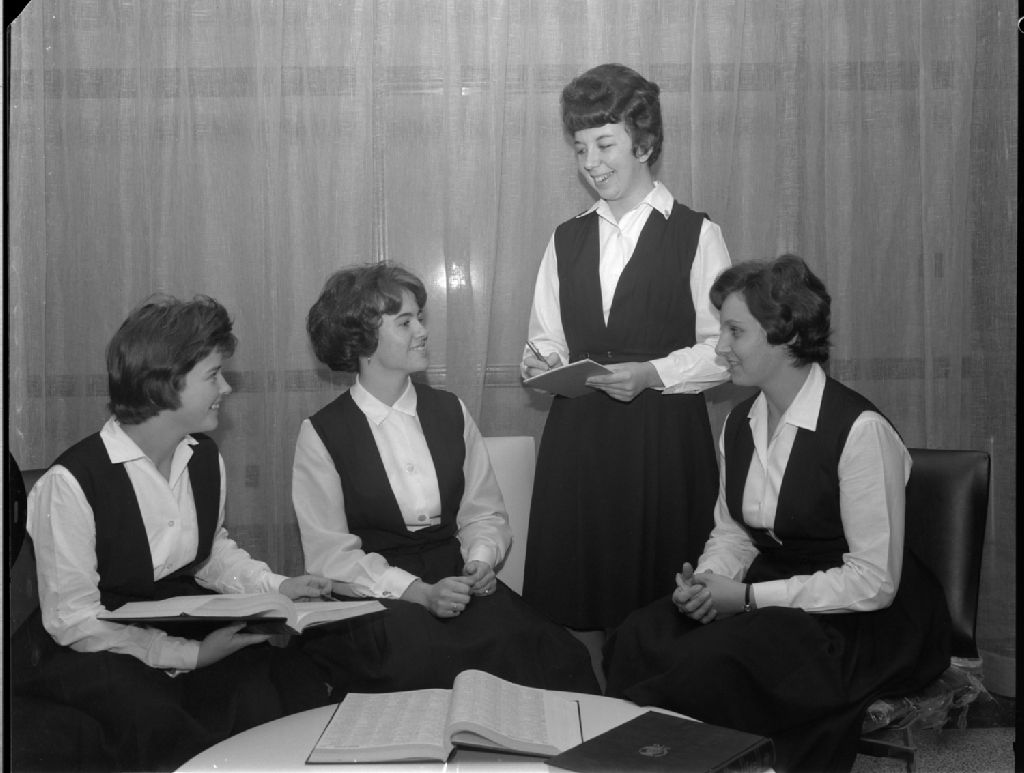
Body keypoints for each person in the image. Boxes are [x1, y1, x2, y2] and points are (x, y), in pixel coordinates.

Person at [602, 255, 952, 773]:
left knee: (713, 663)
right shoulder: (738, 423)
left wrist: (746, 599)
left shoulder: (859, 430)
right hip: (774, 594)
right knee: (638, 635)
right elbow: (734, 533)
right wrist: (708, 583)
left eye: (734, 331)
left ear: (786, 335)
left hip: (863, 619)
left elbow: (874, 581)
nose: (720, 347)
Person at [12, 295, 336, 772]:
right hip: (96, 643)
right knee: (154, 716)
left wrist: (278, 587)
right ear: (163, 383)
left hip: (176, 617)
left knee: (268, 682)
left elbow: (210, 552)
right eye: (213, 375)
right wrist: (190, 654)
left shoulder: (203, 457)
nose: (226, 387)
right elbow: (73, 620)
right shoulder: (71, 483)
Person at [291, 262, 600, 696]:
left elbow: (483, 512)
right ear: (361, 340)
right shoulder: (322, 432)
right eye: (405, 322)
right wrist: (418, 593)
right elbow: (329, 555)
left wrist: (481, 560)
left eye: (419, 318)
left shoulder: (450, 410)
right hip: (374, 593)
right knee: (424, 663)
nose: (422, 331)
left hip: (456, 579)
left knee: (550, 652)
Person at [521, 62, 732, 631]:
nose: (590, 162)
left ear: (644, 143)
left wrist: (651, 374)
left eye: (604, 144)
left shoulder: (697, 233)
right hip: (580, 442)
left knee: (661, 611)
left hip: (662, 441)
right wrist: (542, 362)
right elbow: (545, 338)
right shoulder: (565, 238)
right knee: (577, 604)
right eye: (580, 148)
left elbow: (725, 349)